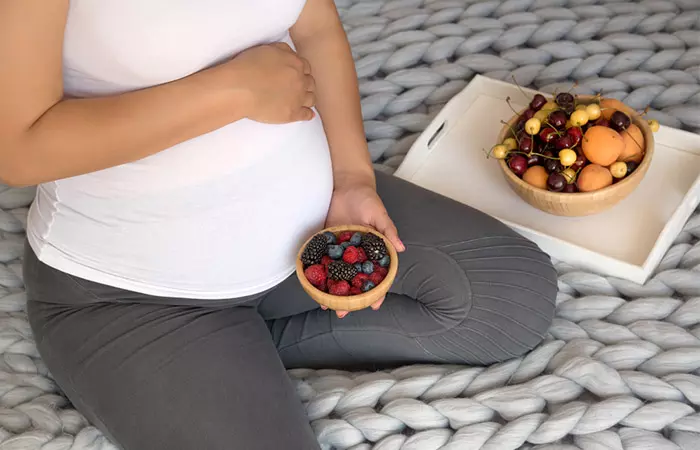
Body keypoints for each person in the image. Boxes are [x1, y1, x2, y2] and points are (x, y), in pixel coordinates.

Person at [2, 1, 558, 449]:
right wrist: (232, 92)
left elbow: (313, 26)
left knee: (510, 298)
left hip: (310, 233)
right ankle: (193, 358)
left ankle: (239, 352)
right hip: (135, 297)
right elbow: (19, 148)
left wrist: (352, 178)